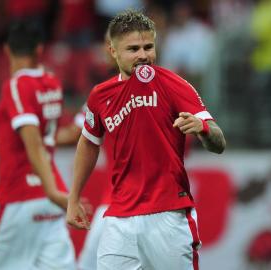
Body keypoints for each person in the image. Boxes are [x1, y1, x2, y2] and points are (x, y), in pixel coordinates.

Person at [66, 10, 226, 270]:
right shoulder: (99, 96)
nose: (143, 55)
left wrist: (203, 129)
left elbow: (219, 142)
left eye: (148, 47)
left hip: (168, 215)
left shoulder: (173, 84)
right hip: (119, 219)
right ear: (113, 51)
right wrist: (74, 198)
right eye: (133, 49)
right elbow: (88, 142)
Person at [0, 23, 77, 270]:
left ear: (7, 50)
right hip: (51, 202)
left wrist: (51, 191)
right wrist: (9, 143)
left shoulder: (16, 85)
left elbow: (34, 142)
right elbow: (50, 135)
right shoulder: (52, 83)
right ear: (40, 49)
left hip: (20, 196)